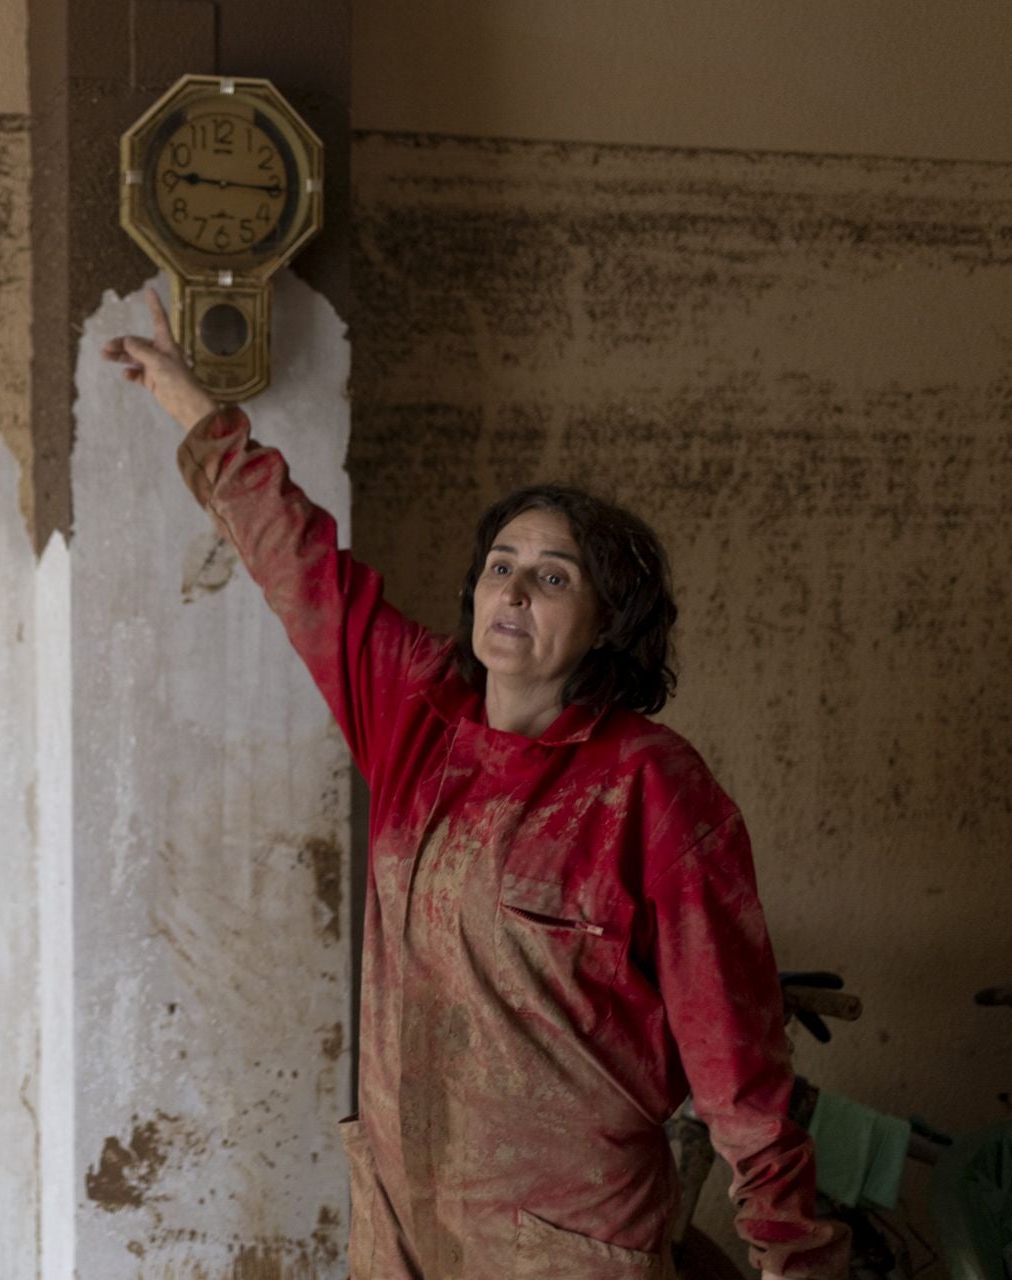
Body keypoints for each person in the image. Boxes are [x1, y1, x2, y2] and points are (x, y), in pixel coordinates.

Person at [103, 288, 849, 1280]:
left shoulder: (654, 788)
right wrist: (198, 412)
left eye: (553, 576)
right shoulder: (418, 712)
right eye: (502, 564)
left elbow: (738, 1059)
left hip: (567, 1245)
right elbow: (299, 562)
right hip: (407, 1226)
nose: (512, 589)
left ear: (607, 622)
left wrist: (793, 1251)